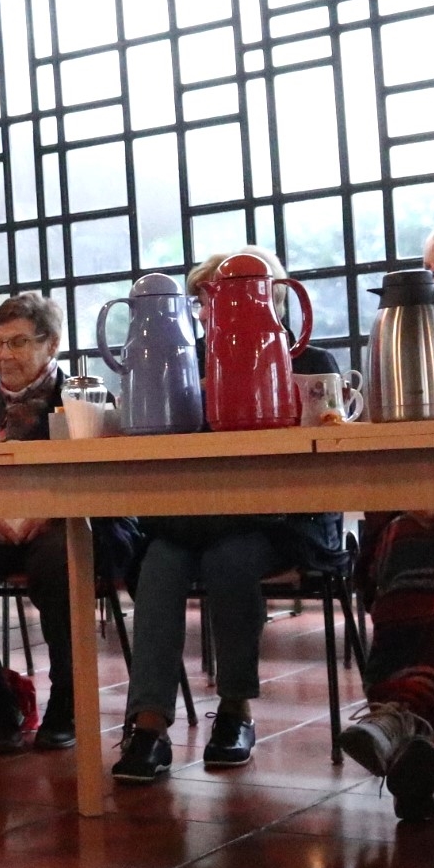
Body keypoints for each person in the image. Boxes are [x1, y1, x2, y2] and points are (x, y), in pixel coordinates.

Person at [113, 247, 344, 784]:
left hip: (281, 520)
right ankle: (149, 725)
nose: (205, 312)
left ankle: (236, 709)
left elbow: (324, 457)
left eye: (213, 298)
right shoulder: (190, 367)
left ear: (271, 295)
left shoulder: (310, 361)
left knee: (230, 562)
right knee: (160, 563)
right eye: (199, 302)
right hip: (201, 517)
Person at [341, 224, 434, 819]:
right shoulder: (423, 346)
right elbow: (388, 448)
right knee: (402, 536)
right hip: (428, 517)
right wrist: (412, 491)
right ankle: (427, 745)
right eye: (430, 269)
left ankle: (405, 721)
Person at [0, 293, 86, 753]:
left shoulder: (83, 400)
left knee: (58, 559)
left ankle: (68, 702)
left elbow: (104, 481)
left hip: (66, 522)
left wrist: (48, 513)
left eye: (19, 342)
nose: (3, 355)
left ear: (53, 344)